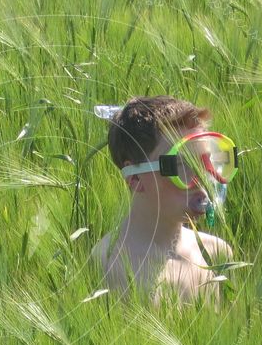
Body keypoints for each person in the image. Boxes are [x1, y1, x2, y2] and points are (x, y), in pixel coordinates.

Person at [91, 96, 236, 306]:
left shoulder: (217, 253)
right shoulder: (107, 263)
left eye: (208, 161)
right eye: (181, 163)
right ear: (135, 178)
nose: (203, 178)